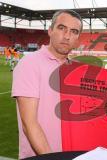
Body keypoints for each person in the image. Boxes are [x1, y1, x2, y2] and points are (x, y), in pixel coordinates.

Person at [11, 10, 83, 159]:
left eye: (74, 31)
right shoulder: (29, 64)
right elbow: (29, 124)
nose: (67, 36)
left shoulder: (77, 70)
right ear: (50, 31)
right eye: (62, 28)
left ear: (78, 39)